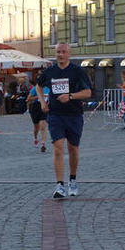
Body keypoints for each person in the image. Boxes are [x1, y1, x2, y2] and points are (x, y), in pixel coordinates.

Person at [37, 43, 92, 199]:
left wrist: (71, 96)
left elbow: (88, 92)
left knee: (73, 148)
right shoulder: (49, 71)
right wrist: (42, 102)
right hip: (55, 115)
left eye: (63, 52)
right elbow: (38, 86)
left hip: (74, 115)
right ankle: (60, 185)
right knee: (58, 147)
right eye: (58, 52)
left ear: (69, 54)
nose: (60, 54)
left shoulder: (77, 71)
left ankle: (72, 180)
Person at [27, 83, 50, 152]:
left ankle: (43, 144)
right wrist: (39, 97)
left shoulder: (49, 88)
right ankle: (35, 138)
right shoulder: (35, 88)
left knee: (43, 125)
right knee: (36, 126)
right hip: (35, 107)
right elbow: (28, 98)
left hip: (44, 107)